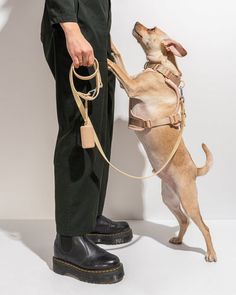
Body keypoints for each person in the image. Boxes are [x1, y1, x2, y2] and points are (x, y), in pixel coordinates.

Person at [40, 0, 133, 284]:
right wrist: (70, 28)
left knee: (98, 123)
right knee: (80, 126)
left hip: (93, 23)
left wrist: (100, 32)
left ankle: (88, 218)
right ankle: (69, 241)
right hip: (75, 21)